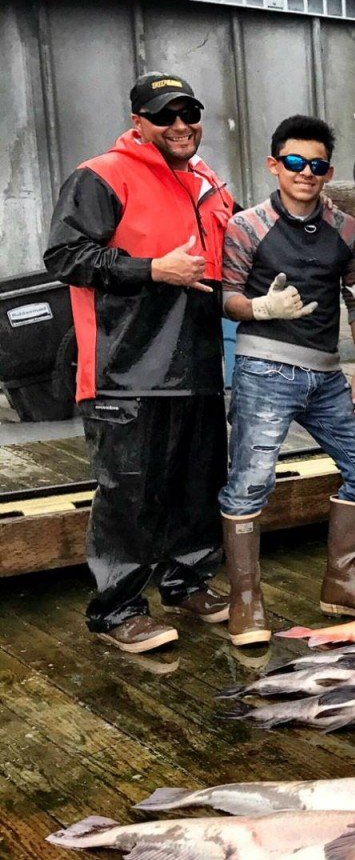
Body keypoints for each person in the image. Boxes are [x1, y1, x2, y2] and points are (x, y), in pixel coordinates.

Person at [43, 72, 235, 653]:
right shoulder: (102, 175)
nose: (180, 126)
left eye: (189, 113)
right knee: (127, 492)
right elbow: (65, 255)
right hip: (123, 369)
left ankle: (189, 581)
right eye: (164, 116)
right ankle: (117, 608)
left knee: (197, 484)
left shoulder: (208, 182)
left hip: (198, 366)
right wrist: (152, 268)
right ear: (138, 123)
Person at [218, 115, 355, 647]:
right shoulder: (246, 226)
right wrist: (260, 307)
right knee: (251, 482)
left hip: (327, 376)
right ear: (274, 164)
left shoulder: (346, 229)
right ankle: (245, 601)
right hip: (264, 368)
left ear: (328, 171)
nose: (305, 172)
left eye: (316, 165)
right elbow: (223, 296)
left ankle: (342, 583)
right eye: (294, 162)